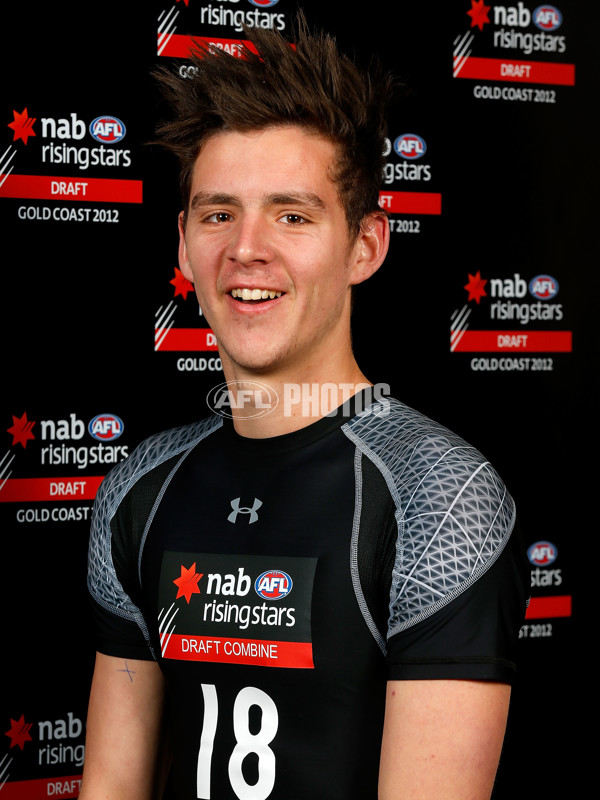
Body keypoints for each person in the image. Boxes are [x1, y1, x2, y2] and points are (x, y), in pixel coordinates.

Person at [80, 14, 527, 800]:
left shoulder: (440, 497)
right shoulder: (137, 489)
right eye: (219, 213)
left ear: (366, 245)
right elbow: (111, 787)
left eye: (292, 214)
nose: (247, 248)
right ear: (182, 243)